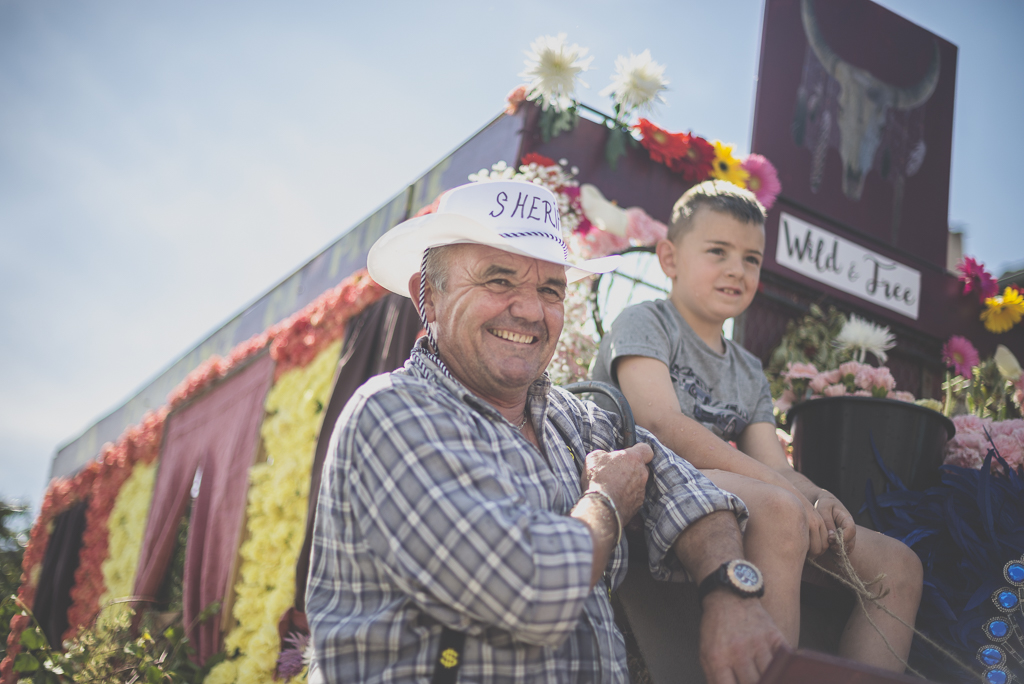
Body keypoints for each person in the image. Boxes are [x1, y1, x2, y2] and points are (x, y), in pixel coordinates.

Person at [306, 179, 785, 684]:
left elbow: (695, 496)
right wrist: (605, 500)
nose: (531, 311)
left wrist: (730, 592)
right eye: (497, 281)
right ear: (427, 295)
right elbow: (529, 590)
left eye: (550, 289)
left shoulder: (576, 418)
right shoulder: (392, 413)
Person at [591, 180, 923, 672]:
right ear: (670, 258)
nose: (736, 269)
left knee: (899, 564)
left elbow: (773, 462)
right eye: (718, 251)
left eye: (750, 258)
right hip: (651, 477)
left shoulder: (747, 369)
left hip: (725, 486)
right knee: (777, 508)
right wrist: (781, 491)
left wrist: (816, 496)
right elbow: (659, 421)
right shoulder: (646, 321)